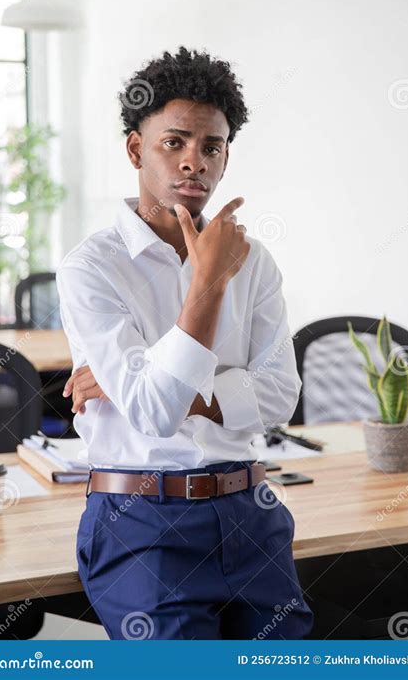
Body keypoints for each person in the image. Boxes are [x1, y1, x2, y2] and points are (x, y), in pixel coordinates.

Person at [56, 46, 313, 640]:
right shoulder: (92, 267)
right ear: (135, 149)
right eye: (174, 142)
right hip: (142, 522)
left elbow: (281, 394)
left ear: (226, 158)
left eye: (211, 146)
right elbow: (150, 411)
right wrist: (207, 284)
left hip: (253, 511)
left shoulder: (255, 259)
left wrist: (163, 385)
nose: (194, 161)